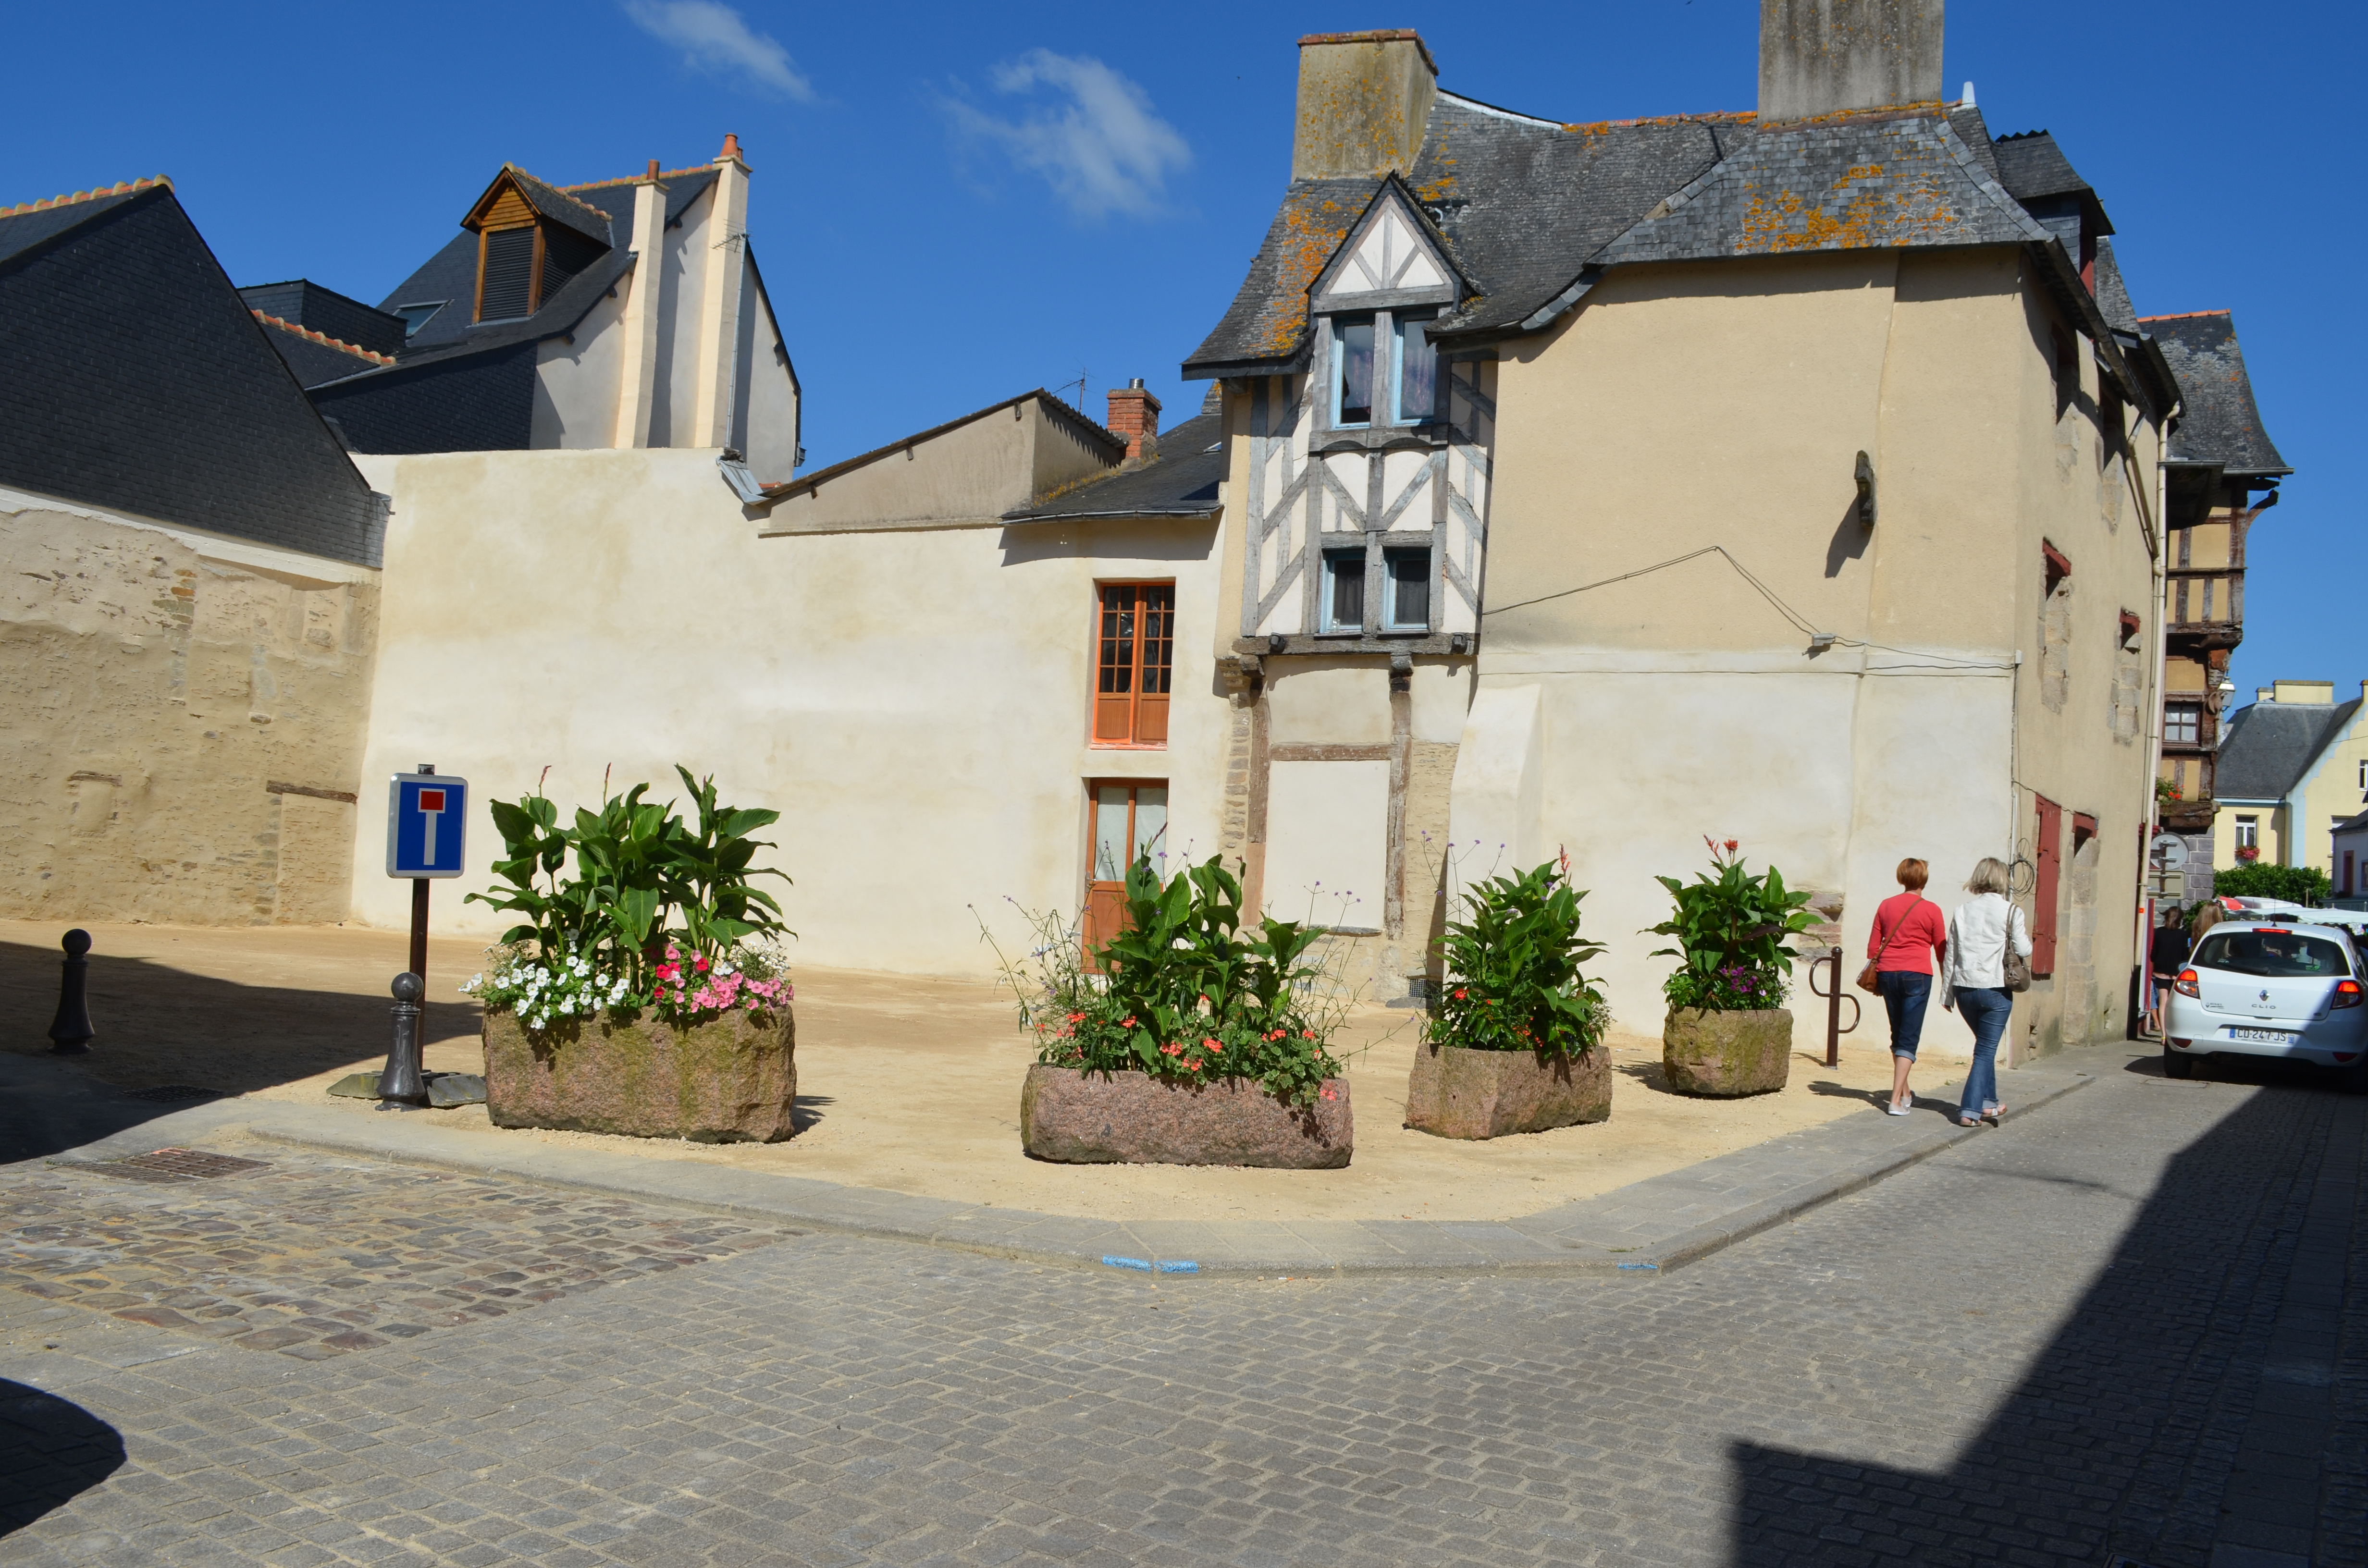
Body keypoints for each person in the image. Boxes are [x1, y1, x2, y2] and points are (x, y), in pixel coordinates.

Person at [1940, 857, 2032, 1127]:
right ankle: (1970, 1110)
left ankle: (1989, 1104)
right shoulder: (2011, 912)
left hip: (1965, 989)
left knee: (1985, 1048)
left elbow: (1951, 956)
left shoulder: (1962, 911)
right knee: (1984, 1052)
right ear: (2003, 879)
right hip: (1996, 990)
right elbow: (2024, 950)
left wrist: (1946, 994)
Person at [1869, 858, 1948, 1115]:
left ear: (1901, 878)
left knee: (1898, 1032)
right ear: (1924, 879)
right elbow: (1941, 949)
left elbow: (1873, 947)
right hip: (1917, 973)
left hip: (1888, 973)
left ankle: (1905, 1092)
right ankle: (1894, 1101)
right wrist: (1948, 980)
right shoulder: (1932, 910)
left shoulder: (1886, 905)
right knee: (1909, 1037)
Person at [2146, 904, 2191, 1035]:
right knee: (2175, 1002)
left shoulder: (2159, 932)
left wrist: (2156, 960)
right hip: (2177, 972)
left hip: (2161, 971)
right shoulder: (2183, 934)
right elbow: (2185, 955)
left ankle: (2164, 1036)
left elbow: (2154, 953)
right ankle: (2174, 1031)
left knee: (2163, 1002)